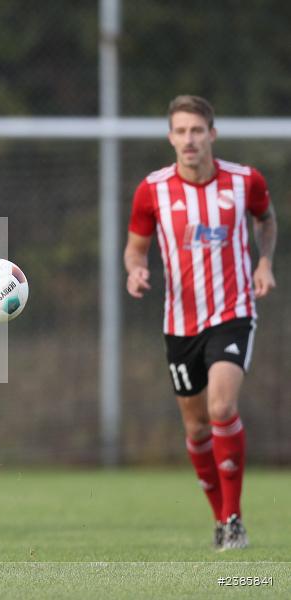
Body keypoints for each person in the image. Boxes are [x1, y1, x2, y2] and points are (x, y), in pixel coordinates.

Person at [125, 95, 277, 550]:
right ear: (170, 137)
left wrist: (265, 262)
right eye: (181, 131)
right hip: (180, 322)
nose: (189, 140)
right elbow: (135, 247)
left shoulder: (245, 181)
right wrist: (135, 269)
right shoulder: (151, 189)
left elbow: (266, 221)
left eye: (197, 130)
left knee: (221, 409)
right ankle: (220, 520)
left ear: (212, 134)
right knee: (195, 429)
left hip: (233, 312)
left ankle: (235, 519)